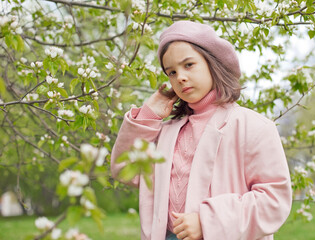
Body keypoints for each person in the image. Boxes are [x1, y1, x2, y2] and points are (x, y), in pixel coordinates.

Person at [111, 20, 292, 240]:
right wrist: (149, 115)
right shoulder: (167, 133)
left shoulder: (253, 127)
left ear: (212, 63)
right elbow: (124, 168)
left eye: (188, 65)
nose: (180, 77)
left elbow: (273, 201)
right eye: (171, 72)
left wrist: (207, 222)